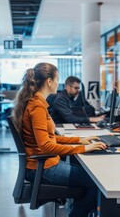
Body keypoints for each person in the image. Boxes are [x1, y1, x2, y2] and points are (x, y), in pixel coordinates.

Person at [13, 63, 106, 217]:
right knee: (97, 182)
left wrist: (80, 140)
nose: (59, 83)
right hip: (44, 167)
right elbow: (46, 146)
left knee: (89, 175)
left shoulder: (37, 103)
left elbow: (50, 138)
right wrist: (83, 149)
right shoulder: (37, 107)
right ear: (49, 81)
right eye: (57, 80)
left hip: (42, 165)